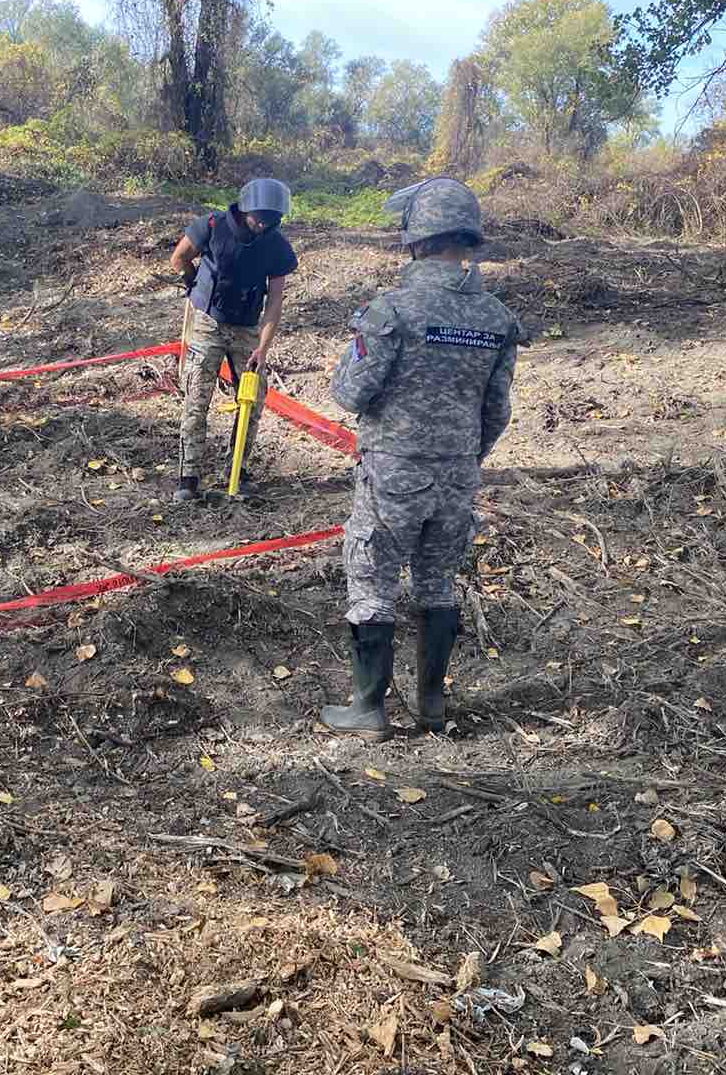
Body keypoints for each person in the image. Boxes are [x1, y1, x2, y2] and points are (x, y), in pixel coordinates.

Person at [319, 177, 521, 740]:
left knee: (372, 581)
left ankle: (367, 708)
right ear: (467, 239)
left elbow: (351, 394)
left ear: (416, 240)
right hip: (458, 474)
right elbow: (497, 410)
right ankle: (431, 704)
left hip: (393, 472)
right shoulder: (497, 319)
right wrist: (463, 455)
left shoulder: (393, 310)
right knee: (437, 584)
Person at [167, 178, 298, 502]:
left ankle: (238, 467)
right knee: (197, 396)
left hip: (247, 329)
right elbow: (179, 257)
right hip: (208, 321)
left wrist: (262, 349)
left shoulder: (276, 246)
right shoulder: (212, 225)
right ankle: (189, 475)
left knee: (253, 398)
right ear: (244, 210)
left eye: (272, 220)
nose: (264, 225)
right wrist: (194, 284)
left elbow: (275, 302)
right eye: (259, 218)